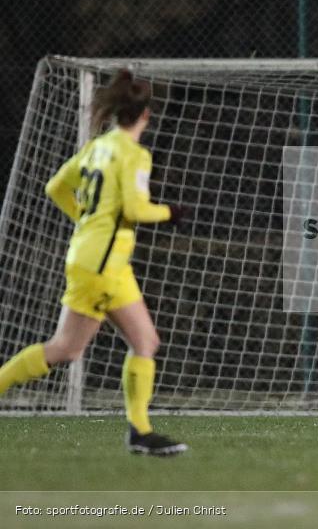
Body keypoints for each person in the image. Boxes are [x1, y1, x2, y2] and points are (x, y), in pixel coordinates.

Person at [0, 69, 188, 455]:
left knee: (145, 341)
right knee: (67, 349)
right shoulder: (133, 154)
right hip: (100, 262)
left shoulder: (97, 146)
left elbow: (55, 186)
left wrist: (85, 219)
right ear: (146, 115)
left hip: (107, 260)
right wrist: (170, 213)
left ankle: (140, 431)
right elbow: (135, 209)